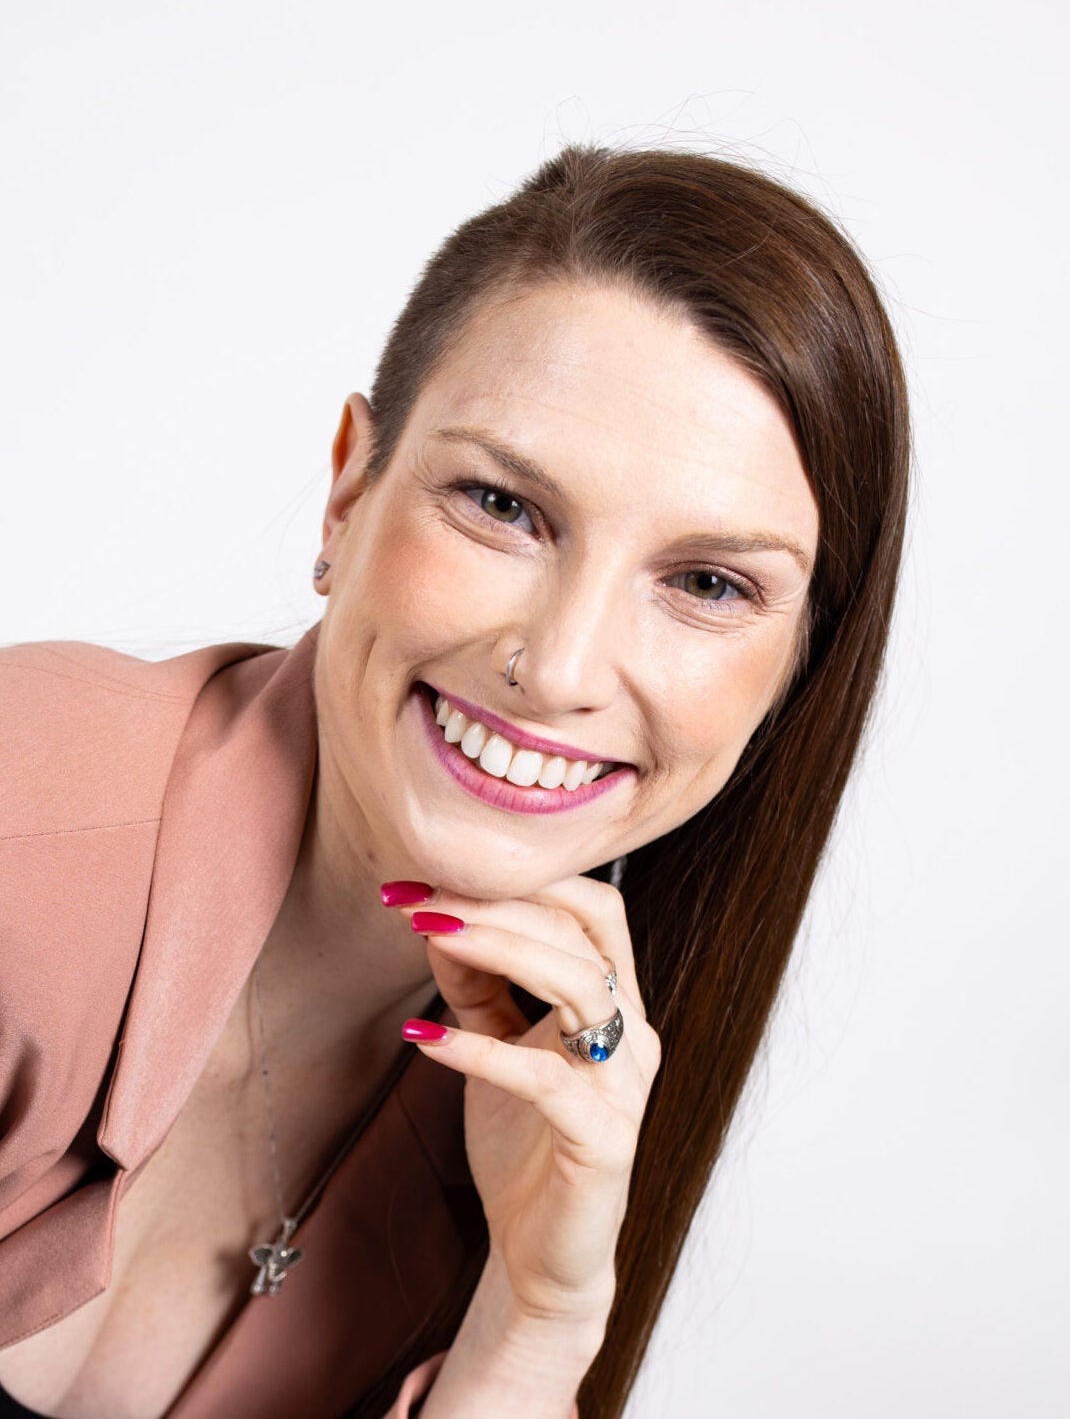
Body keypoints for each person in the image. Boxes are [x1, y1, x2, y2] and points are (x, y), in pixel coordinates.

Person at [0, 143, 910, 1418]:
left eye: (706, 584)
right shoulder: (23, 824)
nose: (560, 664)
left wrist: (533, 1334)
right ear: (346, 493)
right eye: (501, 503)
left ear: (790, 677)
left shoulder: (543, 1120)